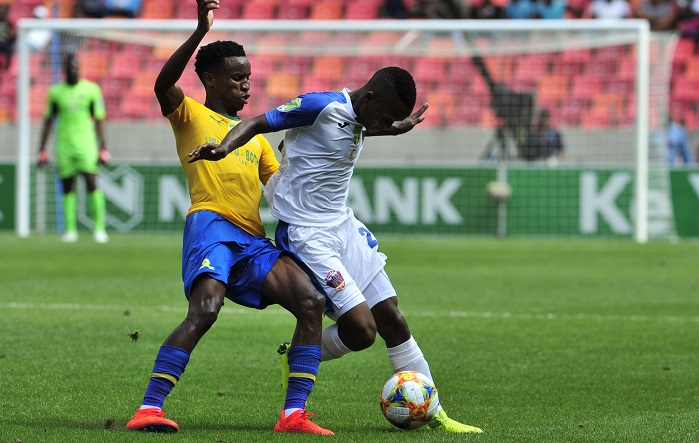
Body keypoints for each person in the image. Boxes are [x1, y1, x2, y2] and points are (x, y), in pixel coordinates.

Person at [189, 67, 484, 434]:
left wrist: (397, 126)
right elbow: (257, 122)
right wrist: (224, 147)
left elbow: (366, 126)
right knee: (361, 331)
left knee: (392, 318)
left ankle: (433, 411)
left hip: (343, 226)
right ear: (370, 98)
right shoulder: (318, 106)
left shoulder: (364, 116)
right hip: (307, 235)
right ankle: (294, 355)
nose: (385, 123)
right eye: (386, 116)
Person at [124, 0, 333, 435]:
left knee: (311, 302)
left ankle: (293, 415)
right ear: (210, 79)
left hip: (253, 241)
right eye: (238, 78)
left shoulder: (254, 139)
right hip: (211, 227)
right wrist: (200, 30)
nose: (247, 87)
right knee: (206, 309)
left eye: (249, 79)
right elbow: (163, 82)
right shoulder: (189, 115)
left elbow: (282, 194)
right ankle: (149, 408)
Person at [37, 52, 110, 243]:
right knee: (67, 186)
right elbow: (48, 121)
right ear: (65, 70)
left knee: (92, 182)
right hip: (64, 144)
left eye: (76, 67)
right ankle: (70, 230)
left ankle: (99, 228)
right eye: (70, 67)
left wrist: (103, 146)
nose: (74, 70)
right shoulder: (55, 92)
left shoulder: (92, 89)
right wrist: (42, 149)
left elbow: (99, 119)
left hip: (86, 143)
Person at [0, 4, 15, 71]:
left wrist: (8, 32)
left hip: (6, 43)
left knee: (10, 50)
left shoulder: (9, 23)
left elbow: (14, 36)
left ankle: (8, 67)